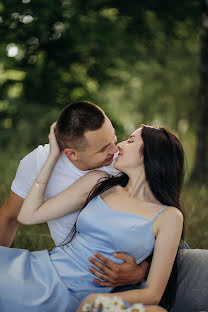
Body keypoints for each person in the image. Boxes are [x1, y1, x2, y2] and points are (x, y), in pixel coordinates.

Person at [0, 101, 207, 311]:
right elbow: (26, 216)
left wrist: (101, 298)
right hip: (44, 271)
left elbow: (153, 293)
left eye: (128, 140)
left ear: (151, 155)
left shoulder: (169, 216)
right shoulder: (99, 180)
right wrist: (54, 155)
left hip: (85, 296)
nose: (118, 147)